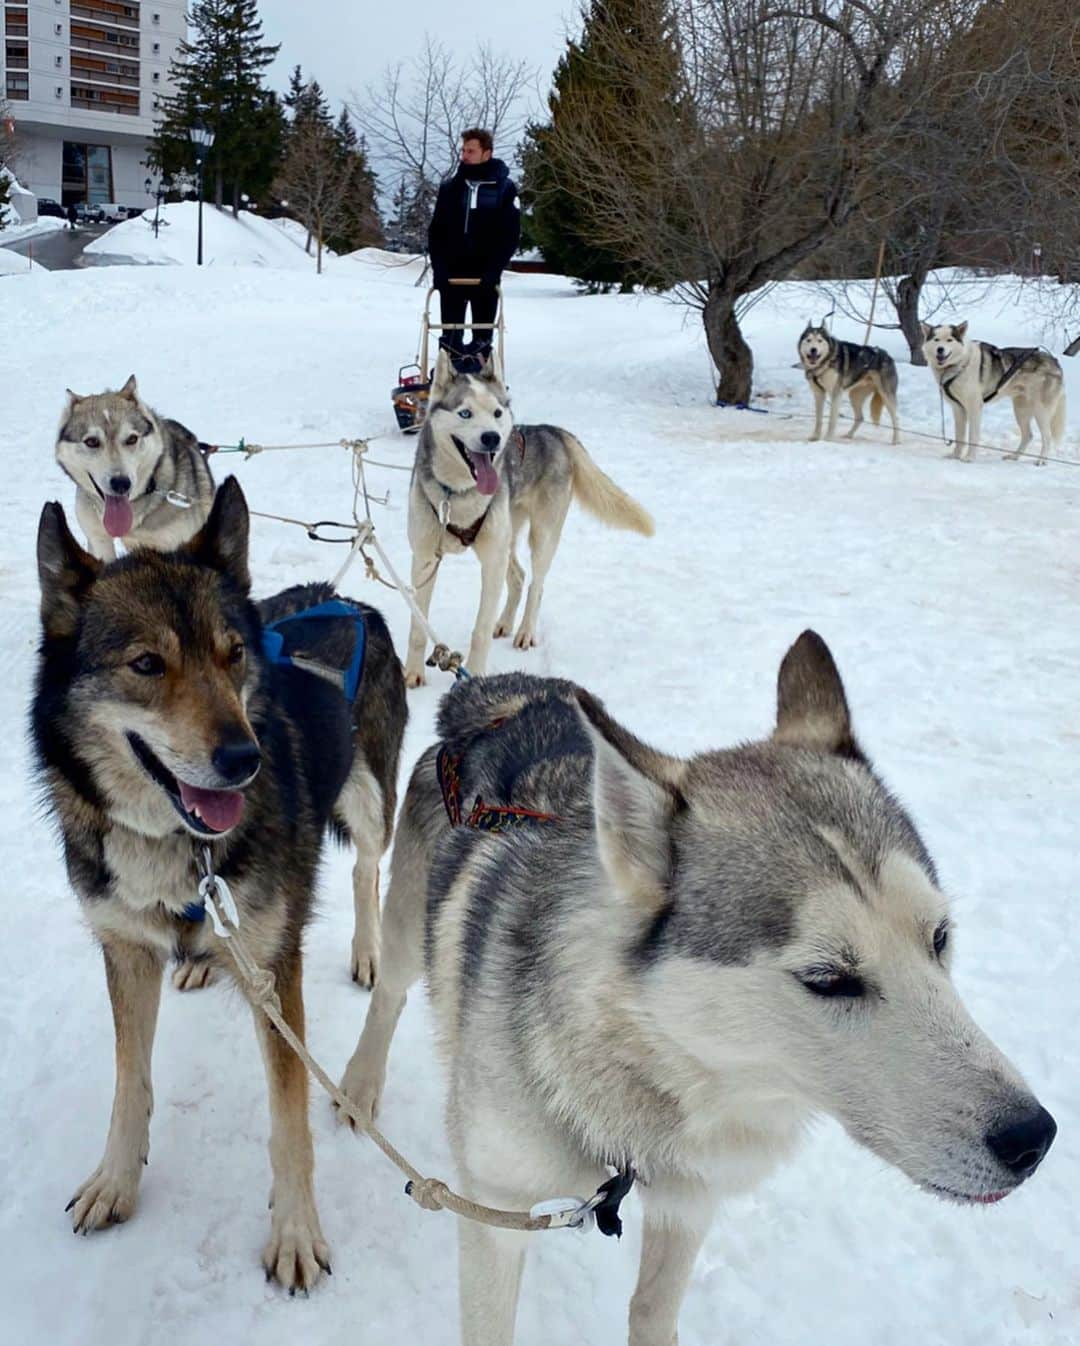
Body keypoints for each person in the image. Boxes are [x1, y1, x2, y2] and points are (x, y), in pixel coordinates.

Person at [428, 128, 520, 367]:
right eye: (463, 150)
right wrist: (439, 269)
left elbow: (510, 234)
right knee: (450, 336)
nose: (465, 155)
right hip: (452, 272)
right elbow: (436, 232)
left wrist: (494, 269)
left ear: (486, 154)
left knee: (482, 335)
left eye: (471, 151)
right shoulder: (450, 188)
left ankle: (481, 376)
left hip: (485, 274)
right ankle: (448, 375)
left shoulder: (505, 188)